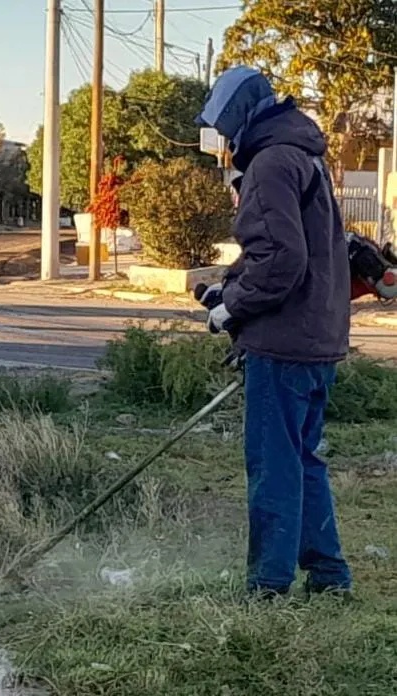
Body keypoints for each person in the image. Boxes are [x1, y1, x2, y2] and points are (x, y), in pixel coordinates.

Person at [195, 66, 353, 598]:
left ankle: (268, 585)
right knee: (304, 458)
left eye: (222, 128)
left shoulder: (269, 163)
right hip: (317, 339)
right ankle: (329, 576)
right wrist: (230, 287)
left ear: (239, 118)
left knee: (274, 464)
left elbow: (281, 259)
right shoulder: (305, 155)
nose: (224, 142)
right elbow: (292, 252)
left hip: (283, 345)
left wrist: (231, 308)